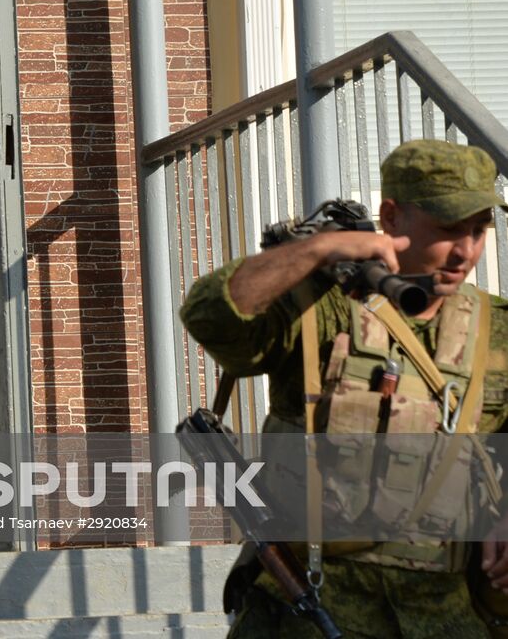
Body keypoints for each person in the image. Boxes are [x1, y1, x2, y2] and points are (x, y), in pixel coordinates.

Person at [181, 139, 508, 637]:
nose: (466, 251)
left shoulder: (497, 329)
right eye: (447, 230)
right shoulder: (322, 306)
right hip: (309, 605)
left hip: (445, 613)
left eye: (479, 229)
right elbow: (211, 316)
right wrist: (315, 252)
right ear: (392, 217)